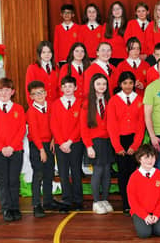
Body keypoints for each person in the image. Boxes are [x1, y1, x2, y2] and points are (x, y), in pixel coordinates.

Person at [0, 77, 26, 222]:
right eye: (1, 90)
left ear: (12, 92)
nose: (4, 93)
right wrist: (3, 147)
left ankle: (15, 207)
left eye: (7, 90)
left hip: (16, 151)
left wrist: (11, 147)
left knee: (14, 180)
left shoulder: (19, 109)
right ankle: (6, 209)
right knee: (2, 182)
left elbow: (21, 130)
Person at [108, 71, 145, 214]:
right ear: (120, 84)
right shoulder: (114, 100)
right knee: (123, 173)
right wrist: (117, 146)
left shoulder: (140, 99)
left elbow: (141, 125)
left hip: (134, 140)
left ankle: (136, 202)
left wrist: (135, 146)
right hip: (120, 141)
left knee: (134, 173)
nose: (128, 86)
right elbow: (111, 125)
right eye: (125, 83)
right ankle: (126, 203)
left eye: (130, 83)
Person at [81, 73, 114, 215]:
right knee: (98, 170)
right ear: (93, 85)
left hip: (108, 141)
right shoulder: (87, 103)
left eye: (104, 84)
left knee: (107, 171)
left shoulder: (110, 101)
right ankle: (95, 201)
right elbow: (83, 127)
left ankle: (105, 199)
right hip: (95, 142)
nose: (102, 87)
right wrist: (88, 146)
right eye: (98, 84)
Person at [50, 75, 84, 211]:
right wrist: (62, 142)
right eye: (64, 86)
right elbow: (54, 124)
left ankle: (78, 200)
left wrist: (69, 142)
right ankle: (66, 200)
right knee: (63, 172)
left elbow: (80, 125)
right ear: (61, 88)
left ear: (75, 87)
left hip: (75, 143)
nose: (67, 88)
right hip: (60, 144)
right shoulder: (56, 104)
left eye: (70, 86)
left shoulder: (81, 103)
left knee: (76, 171)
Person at [26, 80, 57, 217]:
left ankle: (48, 201)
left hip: (49, 143)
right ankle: (36, 204)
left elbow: (55, 123)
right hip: (37, 146)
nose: (39, 95)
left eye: (41, 92)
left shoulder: (50, 106)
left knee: (49, 173)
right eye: (35, 94)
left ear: (45, 93)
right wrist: (41, 150)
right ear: (31, 96)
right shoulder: (31, 111)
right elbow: (34, 132)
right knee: (38, 174)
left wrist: (54, 139)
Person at [127, 144, 160, 238]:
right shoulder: (134, 177)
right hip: (140, 211)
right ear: (139, 159)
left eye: (152, 157)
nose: (150, 160)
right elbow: (132, 201)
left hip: (155, 211)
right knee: (145, 234)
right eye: (146, 157)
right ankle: (141, 221)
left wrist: (157, 214)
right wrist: (144, 216)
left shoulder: (159, 175)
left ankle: (153, 222)